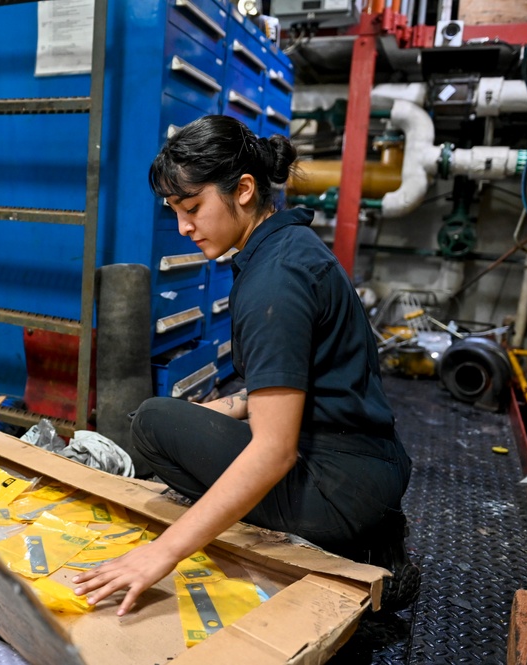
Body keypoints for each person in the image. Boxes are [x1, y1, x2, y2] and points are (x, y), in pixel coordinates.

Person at [72, 115, 419, 615]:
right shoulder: (289, 247)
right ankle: (354, 527)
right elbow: (304, 376)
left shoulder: (273, 282)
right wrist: (230, 407)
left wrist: (160, 552)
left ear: (244, 190)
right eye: (174, 211)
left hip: (339, 488)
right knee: (174, 420)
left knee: (152, 422)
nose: (184, 227)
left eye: (193, 207)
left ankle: (343, 546)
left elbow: (274, 452)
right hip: (368, 462)